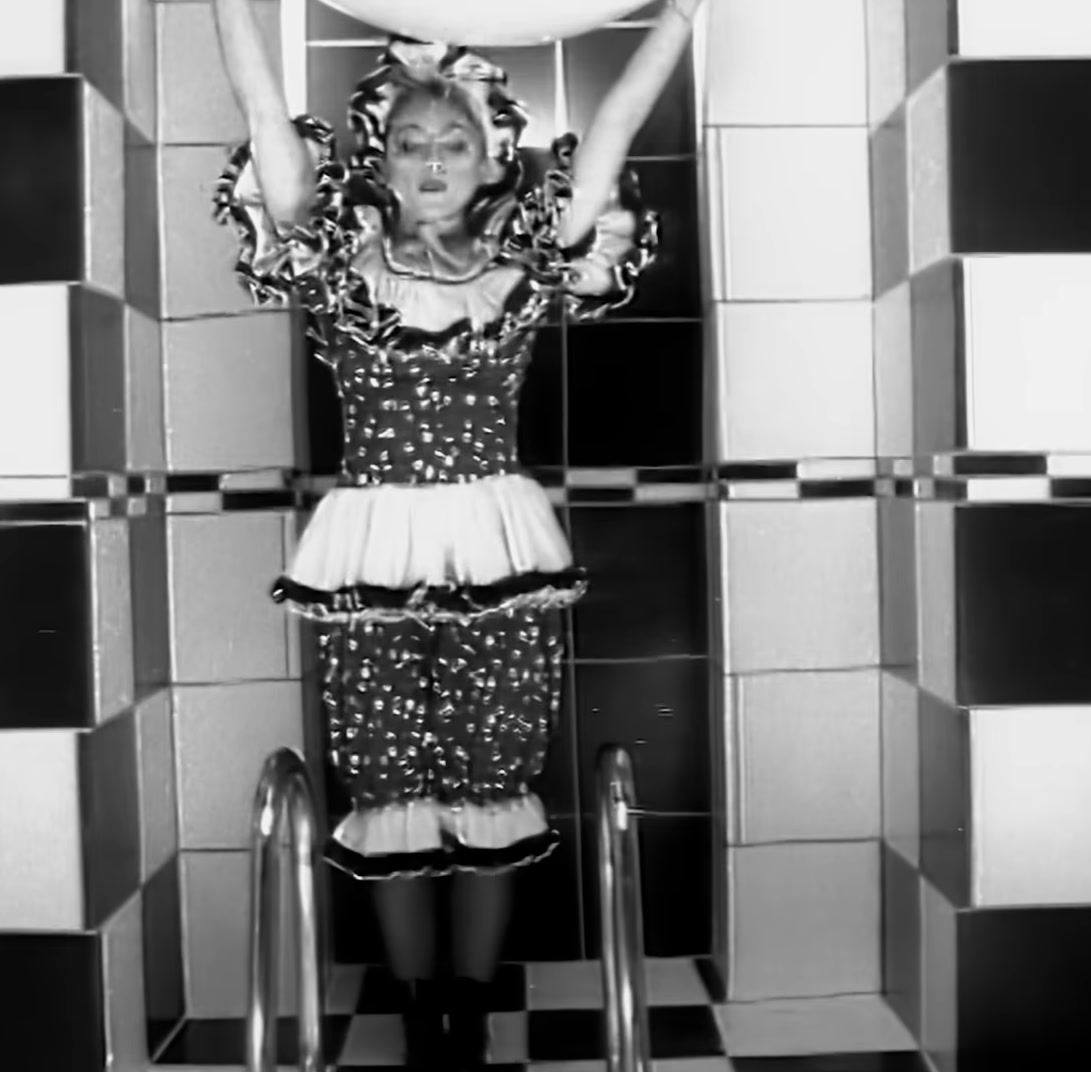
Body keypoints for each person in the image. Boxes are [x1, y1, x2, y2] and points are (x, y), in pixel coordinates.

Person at [210, 2, 702, 1068]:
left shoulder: (522, 270)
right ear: (379, 163)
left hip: (498, 548)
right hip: (367, 549)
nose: (432, 159)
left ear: (490, 164)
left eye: (455, 142)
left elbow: (610, 133)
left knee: (491, 777)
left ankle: (468, 1012)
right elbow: (261, 111)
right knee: (387, 781)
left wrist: (683, 15)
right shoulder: (338, 269)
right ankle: (416, 1005)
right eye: (411, 142)